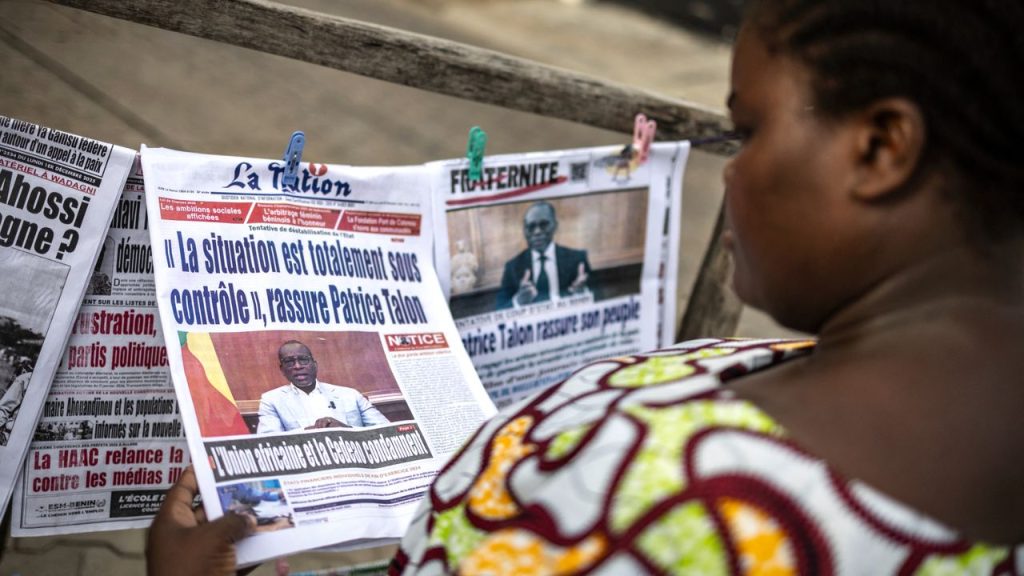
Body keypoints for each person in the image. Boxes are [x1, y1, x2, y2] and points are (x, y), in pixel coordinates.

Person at [148, 1, 1024, 573]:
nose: (730, 173)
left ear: (880, 148)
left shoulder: (666, 507)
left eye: (749, 131)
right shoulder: (898, 390)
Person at [256, 341, 389, 433]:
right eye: (289, 362)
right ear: (282, 370)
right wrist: (312, 431)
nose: (297, 366)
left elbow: (386, 430)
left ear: (314, 365)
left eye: (303, 360)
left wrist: (346, 429)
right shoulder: (271, 400)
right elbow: (269, 442)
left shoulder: (350, 395)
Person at [495, 201, 593, 309]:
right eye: (531, 226)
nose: (537, 232)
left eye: (544, 224)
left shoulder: (577, 260)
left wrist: (583, 294)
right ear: (524, 231)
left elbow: (599, 299)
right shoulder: (513, 267)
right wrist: (519, 301)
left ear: (555, 226)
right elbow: (499, 308)